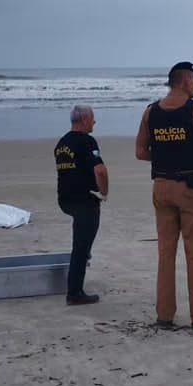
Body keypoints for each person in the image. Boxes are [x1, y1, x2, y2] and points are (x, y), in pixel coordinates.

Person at [135, 61, 193, 330]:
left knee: (165, 253)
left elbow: (141, 152)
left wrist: (165, 155)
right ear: (184, 81)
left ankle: (165, 315)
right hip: (190, 187)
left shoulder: (151, 112)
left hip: (161, 185)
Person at [54, 104, 109, 306]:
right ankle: (74, 293)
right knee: (81, 246)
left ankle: (79, 269)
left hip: (65, 199)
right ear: (84, 119)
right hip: (83, 201)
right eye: (92, 118)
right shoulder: (87, 141)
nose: (94, 122)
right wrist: (104, 192)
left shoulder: (62, 143)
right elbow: (101, 171)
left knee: (82, 243)